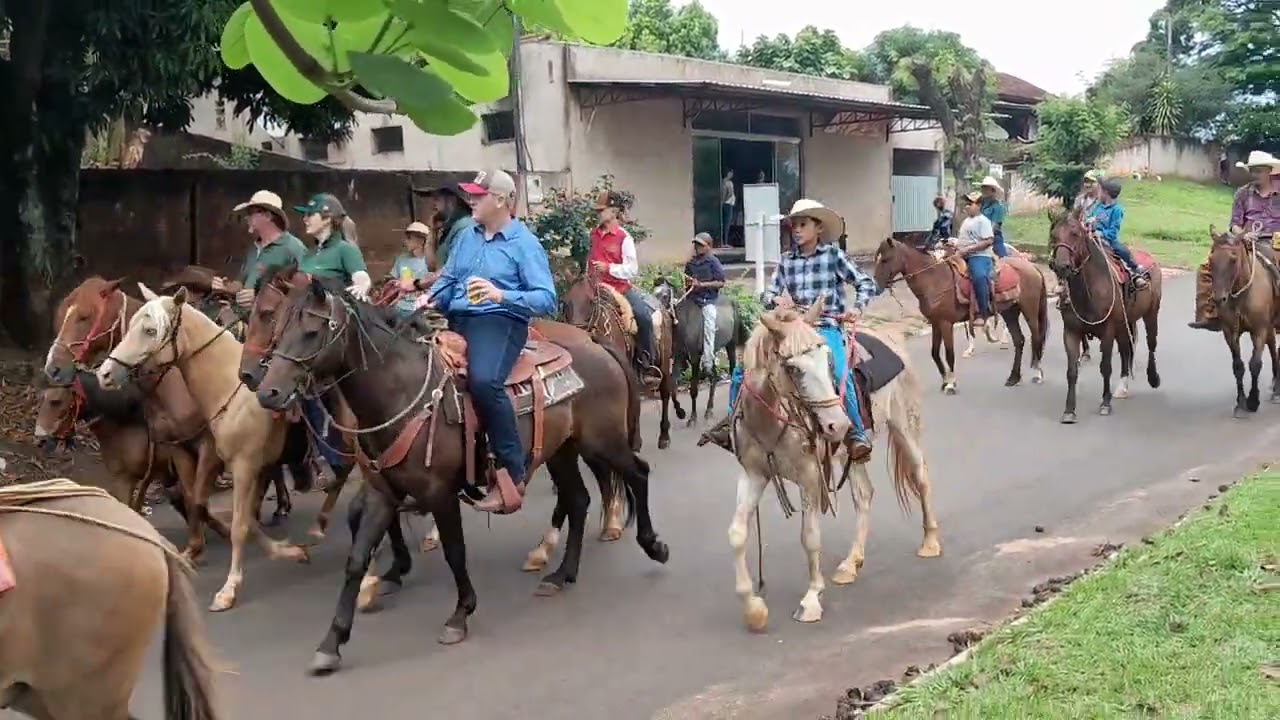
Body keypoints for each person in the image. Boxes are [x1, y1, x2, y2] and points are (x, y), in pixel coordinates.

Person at [422, 169, 557, 514]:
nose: (471, 201)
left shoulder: (524, 244)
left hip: (500, 321)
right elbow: (450, 277)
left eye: (477, 196)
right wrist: (430, 298)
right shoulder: (468, 236)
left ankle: (513, 472)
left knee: (483, 381)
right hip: (459, 318)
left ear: (499, 200)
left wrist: (500, 294)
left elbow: (546, 299)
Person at [700, 199, 878, 461]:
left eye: (802, 224)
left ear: (818, 228)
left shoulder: (833, 256)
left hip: (824, 326)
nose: (796, 230)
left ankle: (856, 433)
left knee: (840, 371)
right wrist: (775, 300)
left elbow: (865, 283)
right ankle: (732, 423)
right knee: (744, 367)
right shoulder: (786, 261)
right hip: (792, 327)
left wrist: (857, 308)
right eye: (793, 225)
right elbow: (767, 294)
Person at [1189, 151, 1280, 331]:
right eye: (1253, 171)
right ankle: (1209, 314)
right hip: (1246, 240)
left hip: (1277, 242)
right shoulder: (1243, 194)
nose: (1255, 174)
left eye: (1259, 171)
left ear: (1269, 171)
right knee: (1208, 267)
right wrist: (1243, 234)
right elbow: (1235, 224)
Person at [588, 190, 661, 385]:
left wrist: (609, 268)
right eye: (597, 211)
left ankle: (647, 364)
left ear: (613, 212)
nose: (598, 215)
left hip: (619, 289)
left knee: (643, 317)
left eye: (602, 211)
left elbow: (632, 269)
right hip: (595, 289)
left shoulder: (624, 237)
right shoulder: (593, 235)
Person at [212, 190, 308, 308]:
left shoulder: (294, 248)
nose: (246, 218)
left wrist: (259, 298)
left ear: (267, 216)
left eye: (251, 213)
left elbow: (304, 292)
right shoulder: (253, 249)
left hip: (272, 323)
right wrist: (226, 287)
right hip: (245, 319)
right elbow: (242, 283)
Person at [294, 193, 373, 298]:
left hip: (333, 311)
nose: (305, 219)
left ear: (327, 219)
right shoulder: (308, 253)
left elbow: (361, 277)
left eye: (310, 215)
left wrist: (363, 284)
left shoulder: (345, 249)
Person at [1086, 177, 1148, 289]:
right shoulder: (1098, 206)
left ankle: (1134, 272)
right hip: (1091, 237)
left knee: (1122, 251)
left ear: (1106, 193)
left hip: (1106, 241)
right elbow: (1089, 217)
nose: (1099, 193)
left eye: (1101, 190)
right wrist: (1088, 221)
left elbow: (1113, 232)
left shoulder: (1116, 210)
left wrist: (1101, 233)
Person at [684, 233, 726, 372]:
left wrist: (701, 285)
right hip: (692, 299)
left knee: (709, 324)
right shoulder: (690, 263)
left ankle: (708, 360)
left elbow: (721, 282)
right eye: (696, 244)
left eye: (701, 245)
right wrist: (688, 283)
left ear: (709, 246)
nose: (697, 247)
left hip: (708, 300)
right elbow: (686, 280)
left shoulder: (713, 262)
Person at [956, 191, 998, 324]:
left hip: (980, 256)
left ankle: (982, 312)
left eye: (970, 204)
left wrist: (968, 249)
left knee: (979, 276)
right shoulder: (966, 221)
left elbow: (989, 241)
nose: (967, 206)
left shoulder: (983, 221)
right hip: (962, 254)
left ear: (979, 205)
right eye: (966, 204)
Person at [389, 221, 433, 320]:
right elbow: (394, 281)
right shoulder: (401, 259)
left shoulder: (431, 261)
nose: (406, 241)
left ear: (421, 241)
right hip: (401, 308)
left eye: (409, 238)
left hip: (423, 310)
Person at [978, 176, 1010, 258]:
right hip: (977, 234)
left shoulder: (998, 207)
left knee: (1002, 255)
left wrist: (985, 236)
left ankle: (1004, 260)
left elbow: (994, 225)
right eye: (982, 188)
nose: (983, 190)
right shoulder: (981, 204)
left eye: (985, 188)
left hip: (993, 235)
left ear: (992, 190)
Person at [721, 169, 736, 245]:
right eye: (731, 172)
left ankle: (725, 242)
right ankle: (724, 242)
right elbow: (726, 193)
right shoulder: (725, 182)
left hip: (730, 204)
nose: (732, 174)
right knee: (726, 224)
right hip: (727, 204)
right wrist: (723, 202)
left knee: (728, 223)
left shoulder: (729, 182)